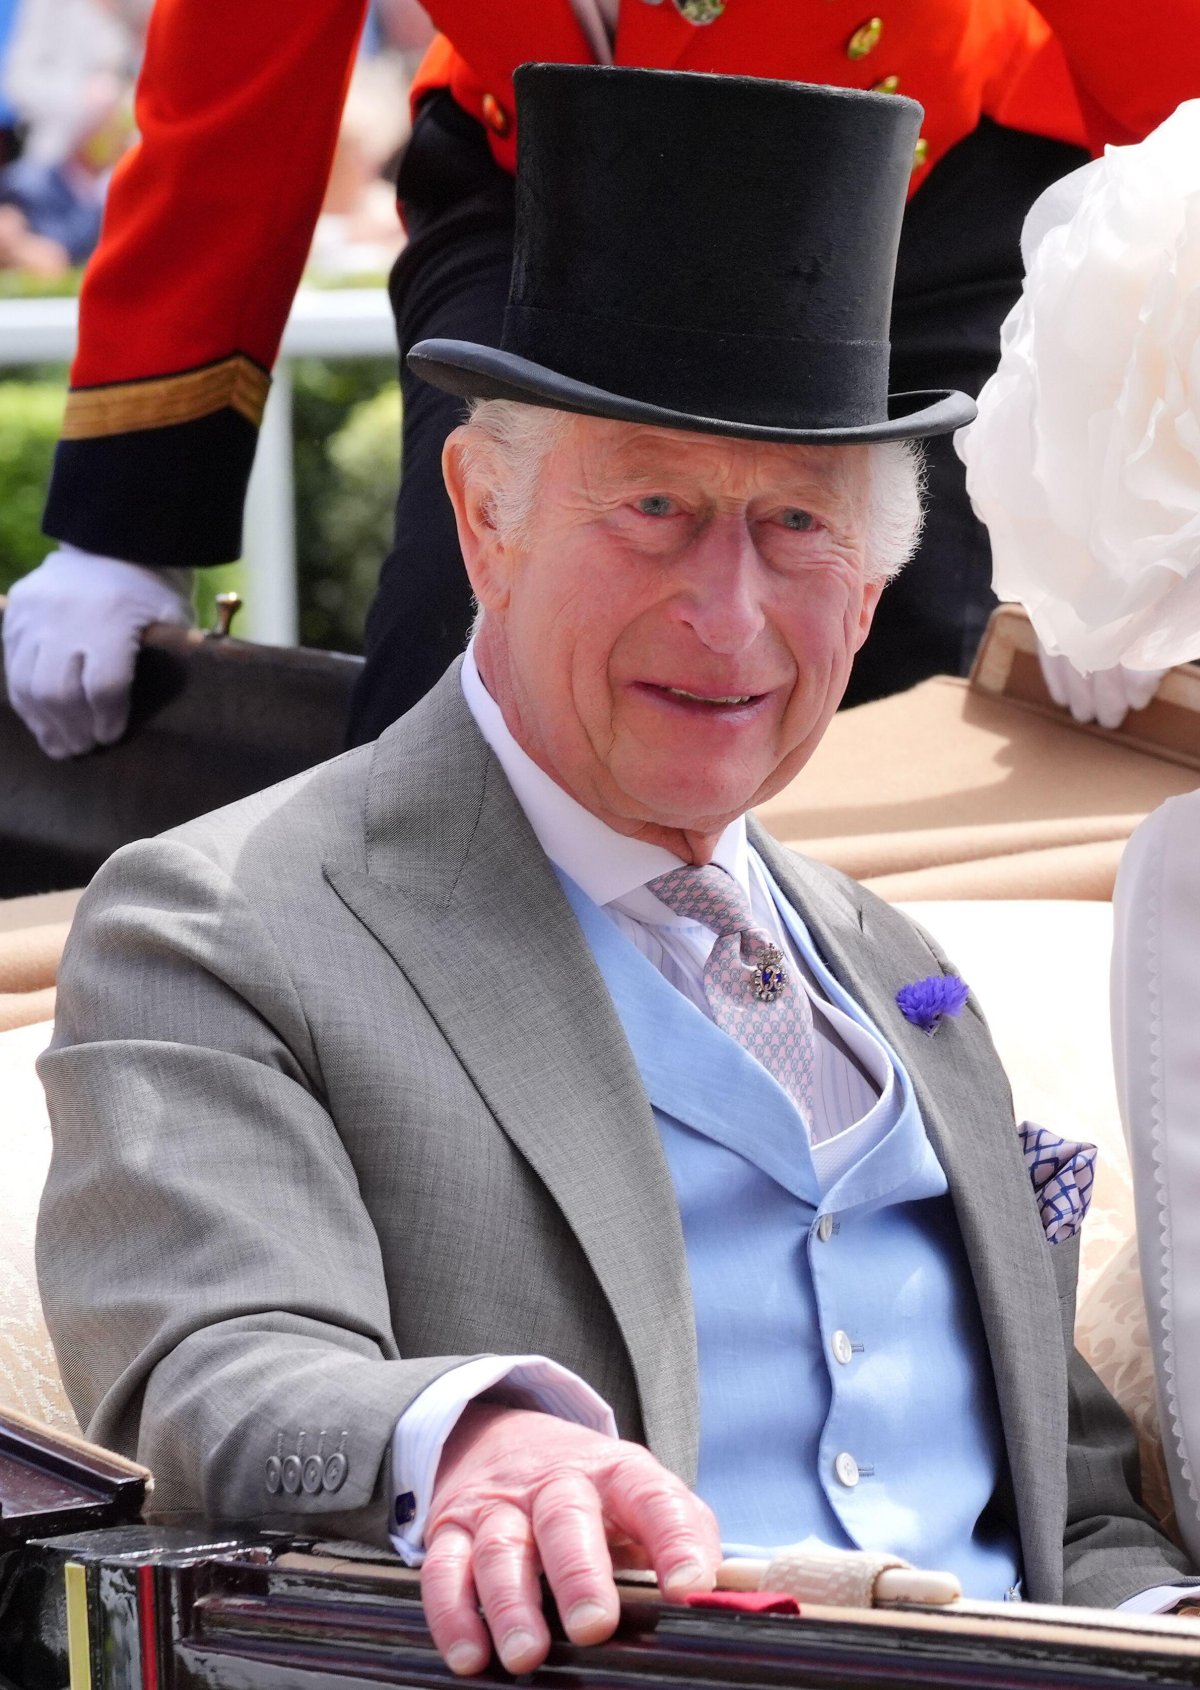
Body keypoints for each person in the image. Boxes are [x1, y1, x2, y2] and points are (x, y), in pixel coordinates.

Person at [37, 67, 1195, 1678]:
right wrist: (477, 1442)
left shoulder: (899, 959)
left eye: (799, 525)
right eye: (654, 507)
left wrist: (1157, 1621)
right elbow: (213, 1359)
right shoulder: (228, 924)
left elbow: (1069, 1494)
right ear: (484, 513)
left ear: (872, 591)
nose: (729, 614)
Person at [7, 0, 1198, 759]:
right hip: (543, 183)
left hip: (920, 190)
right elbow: (235, 77)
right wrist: (128, 524)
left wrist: (1128, 544)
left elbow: (1180, 87)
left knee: (920, 680)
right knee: (463, 648)